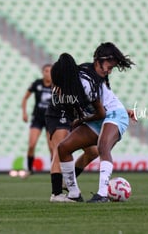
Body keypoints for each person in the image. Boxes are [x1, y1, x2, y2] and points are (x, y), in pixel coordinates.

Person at [51, 42, 136, 203]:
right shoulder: (76, 81)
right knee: (63, 148)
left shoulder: (84, 84)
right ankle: (74, 194)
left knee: (103, 147)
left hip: (114, 114)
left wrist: (80, 120)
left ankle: (102, 195)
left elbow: (102, 112)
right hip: (98, 118)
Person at [45, 86, 99, 202]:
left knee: (93, 152)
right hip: (59, 114)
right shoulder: (68, 79)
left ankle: (66, 181)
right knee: (58, 151)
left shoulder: (88, 82)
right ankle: (56, 193)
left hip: (76, 116)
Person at [21, 64, 53, 175]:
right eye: (46, 71)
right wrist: (24, 113)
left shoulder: (56, 85)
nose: (48, 73)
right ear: (42, 72)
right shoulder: (37, 83)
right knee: (32, 144)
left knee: (52, 148)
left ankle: (54, 170)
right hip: (37, 118)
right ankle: (29, 169)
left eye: (50, 71)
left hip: (51, 119)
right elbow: (25, 98)